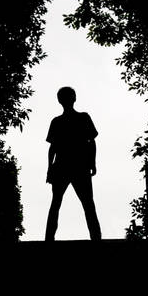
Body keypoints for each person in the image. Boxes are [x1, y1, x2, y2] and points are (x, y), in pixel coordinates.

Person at [45, 87, 102, 242]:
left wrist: (50, 168)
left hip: (65, 166)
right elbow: (92, 142)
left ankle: (49, 239)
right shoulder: (83, 118)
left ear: (59, 100)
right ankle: (96, 238)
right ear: (74, 98)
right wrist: (92, 162)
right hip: (78, 166)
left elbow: (53, 148)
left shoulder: (57, 121)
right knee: (87, 204)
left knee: (56, 203)